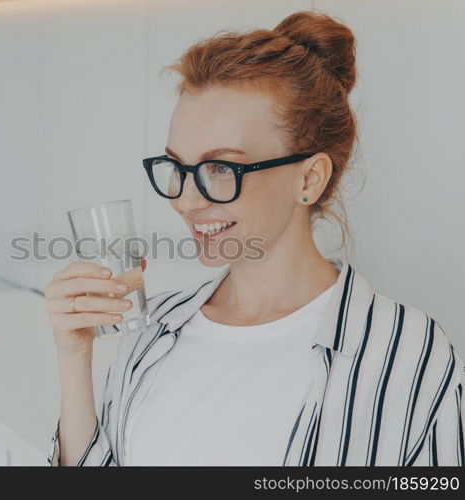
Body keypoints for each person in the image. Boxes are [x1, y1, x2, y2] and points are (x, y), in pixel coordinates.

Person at [44, 10, 464, 466]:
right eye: (178, 168)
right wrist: (74, 355)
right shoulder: (154, 330)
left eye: (221, 168)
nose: (185, 202)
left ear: (310, 179)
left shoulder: (405, 351)